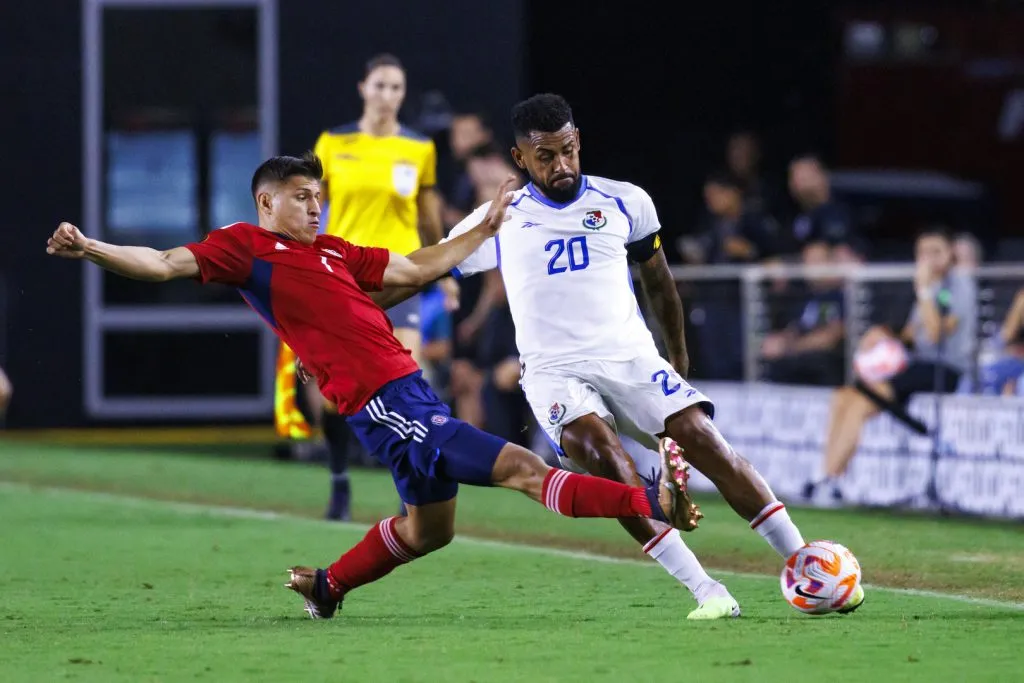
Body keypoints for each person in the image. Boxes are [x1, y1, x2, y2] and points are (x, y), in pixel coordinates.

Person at [46, 152, 698, 620]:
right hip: (386, 404)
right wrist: (91, 248)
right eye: (300, 195)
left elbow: (416, 266)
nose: (314, 203)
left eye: (317, 194)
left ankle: (328, 585)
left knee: (429, 531)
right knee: (525, 468)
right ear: (266, 202)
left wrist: (486, 226)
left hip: (409, 394)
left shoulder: (333, 252)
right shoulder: (245, 247)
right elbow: (162, 263)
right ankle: (651, 501)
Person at [372, 94, 865, 619]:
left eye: (567, 150)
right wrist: (350, 315)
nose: (560, 165)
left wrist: (676, 355)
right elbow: (420, 270)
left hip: (630, 356)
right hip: (554, 374)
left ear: (578, 140)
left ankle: (805, 561)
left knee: (706, 441)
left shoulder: (625, 200)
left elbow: (660, 282)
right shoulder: (501, 220)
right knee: (610, 463)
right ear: (520, 159)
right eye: (545, 157)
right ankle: (706, 590)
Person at [309, 53, 457, 520]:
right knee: (334, 394)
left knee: (407, 378)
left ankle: (410, 487)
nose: (388, 96)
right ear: (363, 88)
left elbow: (428, 217)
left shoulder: (418, 148)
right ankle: (339, 479)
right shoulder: (333, 143)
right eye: (380, 86)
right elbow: (310, 212)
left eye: (396, 88)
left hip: (399, 275)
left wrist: (444, 273)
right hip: (343, 279)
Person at [807, 226, 978, 501]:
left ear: (950, 255)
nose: (928, 259)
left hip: (945, 368)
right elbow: (912, 334)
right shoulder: (930, 286)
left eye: (936, 252)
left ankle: (830, 480)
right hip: (918, 365)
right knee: (843, 396)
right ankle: (824, 476)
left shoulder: (957, 285)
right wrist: (883, 334)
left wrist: (922, 291)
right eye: (923, 252)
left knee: (862, 400)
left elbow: (936, 336)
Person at [760, 242, 846, 387]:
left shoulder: (840, 296)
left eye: (817, 261)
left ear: (831, 263)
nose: (810, 267)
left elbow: (830, 337)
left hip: (826, 369)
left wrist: (792, 347)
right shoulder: (805, 297)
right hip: (797, 361)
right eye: (807, 261)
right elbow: (795, 328)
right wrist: (780, 341)